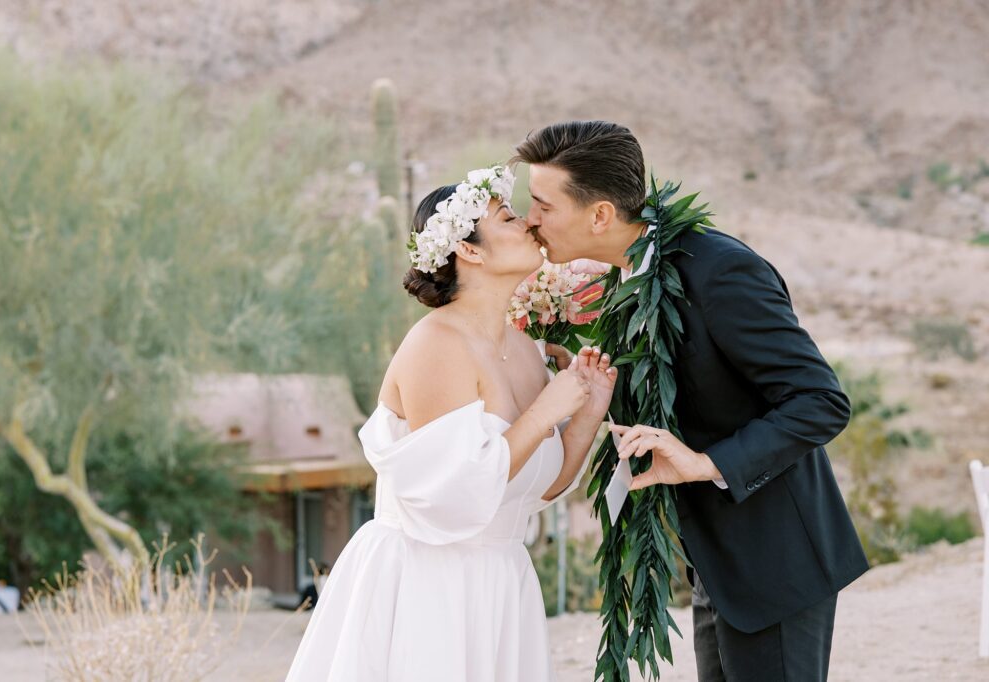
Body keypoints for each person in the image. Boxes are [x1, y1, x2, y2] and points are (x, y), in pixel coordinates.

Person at [515, 121, 869, 682]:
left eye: (541, 205)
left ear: (600, 215)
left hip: (773, 559)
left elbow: (820, 401)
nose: (530, 220)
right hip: (712, 560)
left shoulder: (720, 271)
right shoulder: (623, 272)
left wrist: (706, 464)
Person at [284, 165, 617, 681]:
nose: (529, 224)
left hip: (503, 584)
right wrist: (548, 409)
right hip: (429, 587)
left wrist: (588, 410)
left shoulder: (527, 350)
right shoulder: (435, 343)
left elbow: (540, 487)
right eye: (508, 216)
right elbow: (455, 494)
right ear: (470, 250)